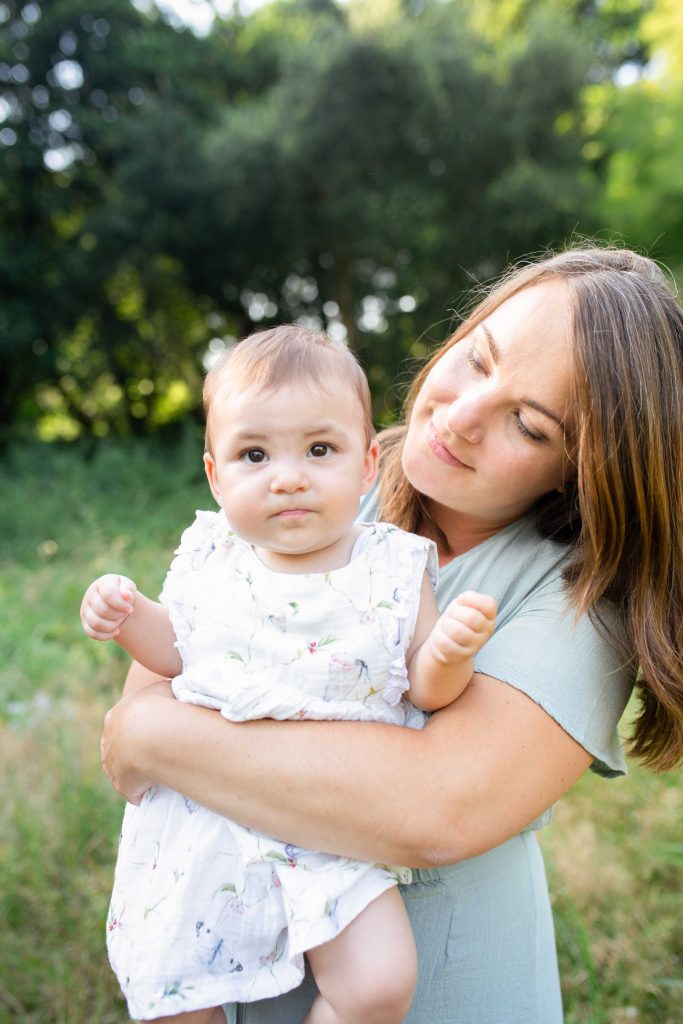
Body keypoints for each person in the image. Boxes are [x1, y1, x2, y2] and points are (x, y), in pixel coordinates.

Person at [99, 245, 683, 1024]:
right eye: (476, 360)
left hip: (439, 993)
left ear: (583, 469)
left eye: (529, 424)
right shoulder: (318, 478)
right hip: (228, 970)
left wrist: (159, 738)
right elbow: (153, 694)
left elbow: (438, 806)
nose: (462, 416)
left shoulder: (578, 595)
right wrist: (147, 726)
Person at [81, 326, 497, 1023]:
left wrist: (447, 653)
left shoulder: (391, 567)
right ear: (215, 475)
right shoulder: (211, 557)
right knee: (176, 998)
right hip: (205, 813)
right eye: (253, 454)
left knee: (379, 984)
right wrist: (128, 617)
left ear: (366, 466)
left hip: (330, 816)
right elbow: (179, 654)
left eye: (319, 450)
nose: (288, 476)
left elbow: (425, 689)